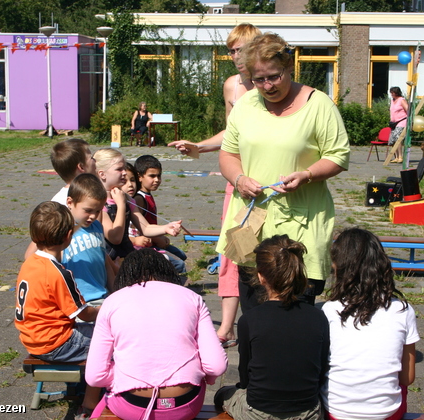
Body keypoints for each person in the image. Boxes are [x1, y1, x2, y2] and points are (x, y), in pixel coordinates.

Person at [217, 32, 350, 310]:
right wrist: (239, 179)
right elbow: (228, 154)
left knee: (295, 313)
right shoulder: (245, 105)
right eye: (259, 79)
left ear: (289, 67)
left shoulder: (319, 104)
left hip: (300, 224)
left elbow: (338, 156)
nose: (267, 86)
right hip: (251, 220)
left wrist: (307, 175)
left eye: (274, 76)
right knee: (253, 313)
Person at [169, 23, 262, 346]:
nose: (234, 56)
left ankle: (263, 318)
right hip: (236, 181)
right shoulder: (232, 87)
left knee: (264, 251)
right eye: (231, 50)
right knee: (233, 250)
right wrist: (199, 146)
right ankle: (228, 325)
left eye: (240, 49)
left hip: (267, 180)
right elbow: (230, 135)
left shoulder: (271, 83)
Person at [85, 248, 228, 420]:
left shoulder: (112, 302)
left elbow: (94, 377)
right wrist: (205, 377)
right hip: (186, 406)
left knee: (97, 414)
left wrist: (122, 377)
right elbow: (216, 365)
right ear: (167, 271)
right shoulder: (192, 298)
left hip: (131, 406)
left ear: (125, 275)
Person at [214, 235, 329, 420]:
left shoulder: (249, 319)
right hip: (308, 415)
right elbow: (321, 368)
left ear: (260, 276)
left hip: (259, 415)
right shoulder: (318, 317)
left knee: (222, 395)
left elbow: (245, 378)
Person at [321, 228, 419, 420]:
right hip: (385, 415)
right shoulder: (403, 310)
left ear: (339, 267)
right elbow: (407, 378)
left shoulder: (329, 310)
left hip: (336, 412)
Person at [14, 201, 101, 420]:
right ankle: (89, 407)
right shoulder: (58, 273)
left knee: (94, 334)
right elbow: (85, 314)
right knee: (107, 342)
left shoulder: (30, 263)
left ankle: (84, 391)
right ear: (68, 236)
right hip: (57, 342)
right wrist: (107, 308)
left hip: (32, 338)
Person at [92, 148, 181, 261]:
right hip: (107, 260)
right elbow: (115, 238)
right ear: (102, 174)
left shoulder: (126, 198)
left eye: (124, 168)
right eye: (119, 169)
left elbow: (146, 227)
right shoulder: (98, 201)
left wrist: (166, 228)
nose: (124, 172)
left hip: (125, 256)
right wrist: (121, 205)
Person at [62, 173, 114, 303]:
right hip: (77, 300)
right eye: (88, 210)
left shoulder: (97, 226)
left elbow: (104, 262)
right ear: (70, 202)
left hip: (102, 296)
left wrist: (115, 292)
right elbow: (32, 256)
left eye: (97, 211)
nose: (93, 216)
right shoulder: (61, 229)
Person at [133, 155, 188, 275]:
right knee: (179, 265)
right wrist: (158, 239)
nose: (157, 179)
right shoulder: (139, 198)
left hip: (155, 239)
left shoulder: (148, 194)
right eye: (152, 176)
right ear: (139, 176)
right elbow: (137, 227)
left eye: (159, 176)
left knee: (182, 255)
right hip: (146, 245)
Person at [49, 138, 96, 205]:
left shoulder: (57, 201)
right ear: (81, 167)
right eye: (91, 158)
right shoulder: (88, 197)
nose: (95, 161)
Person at [388, 86, 408, 163]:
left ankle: (400, 156)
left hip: (401, 121)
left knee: (397, 138)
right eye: (391, 93)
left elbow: (408, 109)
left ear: (397, 93)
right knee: (392, 140)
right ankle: (396, 157)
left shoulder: (401, 100)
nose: (392, 94)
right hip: (393, 123)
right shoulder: (392, 100)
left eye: (393, 93)